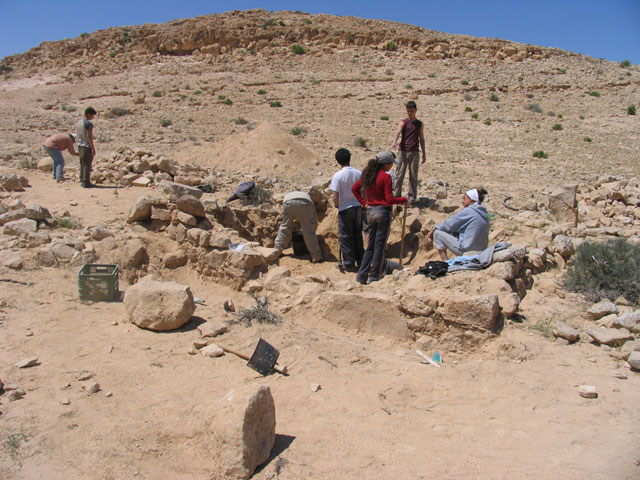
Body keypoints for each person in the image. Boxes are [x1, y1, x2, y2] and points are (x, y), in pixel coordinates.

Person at [351, 151, 407, 284]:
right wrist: (403, 199)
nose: (391, 166)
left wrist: (364, 203)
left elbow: (354, 189)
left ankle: (361, 275)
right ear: (386, 164)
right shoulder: (386, 177)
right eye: (391, 164)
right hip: (383, 212)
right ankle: (374, 276)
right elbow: (389, 199)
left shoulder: (367, 176)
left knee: (370, 245)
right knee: (379, 246)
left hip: (370, 212)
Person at [429, 188, 490, 260]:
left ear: (471, 200)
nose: (462, 201)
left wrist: (435, 228)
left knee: (437, 233)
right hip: (482, 251)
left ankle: (446, 263)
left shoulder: (469, 211)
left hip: (468, 250)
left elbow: (450, 224)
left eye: (464, 198)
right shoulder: (484, 213)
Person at [329, 148, 363, 272]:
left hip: (345, 209)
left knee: (346, 236)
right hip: (358, 207)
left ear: (338, 161)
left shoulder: (338, 176)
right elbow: (362, 191)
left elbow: (335, 196)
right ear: (349, 158)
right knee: (357, 235)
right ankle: (360, 260)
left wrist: (337, 205)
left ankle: (348, 264)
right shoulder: (358, 173)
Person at [389, 100, 426, 205]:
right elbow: (398, 132)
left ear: (415, 110)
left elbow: (421, 139)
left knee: (413, 175)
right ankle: (397, 195)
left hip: (414, 151)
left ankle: (412, 196)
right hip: (403, 151)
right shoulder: (404, 122)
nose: (410, 113)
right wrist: (394, 142)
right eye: (408, 111)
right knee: (400, 174)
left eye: (411, 111)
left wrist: (424, 154)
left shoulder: (419, 124)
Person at [274, 191, 323, 263]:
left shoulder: (289, 194)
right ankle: (316, 256)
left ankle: (277, 251)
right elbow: (314, 222)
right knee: (308, 230)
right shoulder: (309, 200)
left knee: (285, 227)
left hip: (288, 202)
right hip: (304, 203)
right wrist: (312, 230)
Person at [76, 107, 97, 188]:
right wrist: (93, 148)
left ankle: (82, 179)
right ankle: (86, 182)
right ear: (89, 114)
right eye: (92, 115)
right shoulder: (88, 124)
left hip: (80, 145)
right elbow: (89, 137)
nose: (93, 117)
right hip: (86, 146)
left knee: (82, 163)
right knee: (87, 164)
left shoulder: (79, 122)